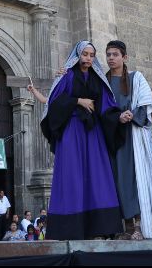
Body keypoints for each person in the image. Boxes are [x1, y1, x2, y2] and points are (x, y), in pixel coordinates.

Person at [28, 40, 123, 240]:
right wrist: (78, 101)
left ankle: (100, 228)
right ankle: (71, 228)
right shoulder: (68, 75)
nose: (88, 58)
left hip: (93, 132)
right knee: (73, 174)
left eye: (91, 55)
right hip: (72, 130)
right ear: (78, 55)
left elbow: (106, 103)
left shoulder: (98, 78)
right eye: (85, 54)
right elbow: (54, 100)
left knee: (97, 175)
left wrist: (118, 117)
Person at [104, 40, 152, 240]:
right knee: (116, 181)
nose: (111, 58)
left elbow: (146, 104)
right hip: (112, 138)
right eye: (108, 54)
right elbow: (100, 110)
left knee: (134, 179)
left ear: (124, 57)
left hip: (132, 138)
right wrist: (116, 117)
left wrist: (132, 114)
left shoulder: (136, 78)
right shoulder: (103, 81)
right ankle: (123, 226)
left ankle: (137, 226)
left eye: (115, 54)